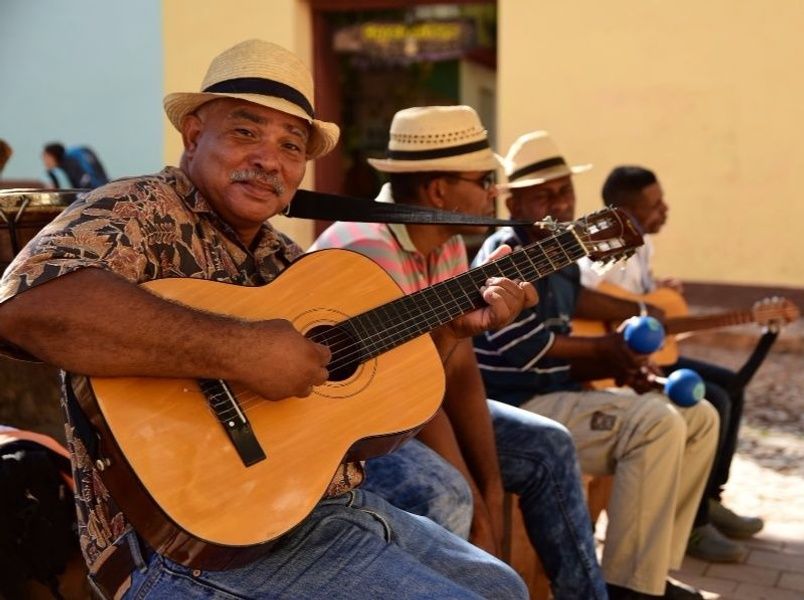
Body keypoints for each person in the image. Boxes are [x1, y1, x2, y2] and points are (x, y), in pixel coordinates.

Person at [0, 40, 536, 599]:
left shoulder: (286, 260)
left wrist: (448, 331)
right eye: (245, 132)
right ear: (193, 134)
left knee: (504, 588)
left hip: (310, 514)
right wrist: (239, 350)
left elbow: (374, 418)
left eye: (291, 145)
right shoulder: (137, 207)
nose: (268, 159)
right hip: (183, 550)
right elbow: (27, 308)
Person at [311, 105, 607, 599]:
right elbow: (413, 396)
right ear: (439, 192)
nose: (494, 192)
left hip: (411, 405)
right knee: (444, 493)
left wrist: (490, 489)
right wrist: (475, 498)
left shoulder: (447, 242)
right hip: (346, 433)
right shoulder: (367, 248)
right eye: (484, 180)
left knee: (549, 445)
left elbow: (460, 369)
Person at [473, 130, 720, 600]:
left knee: (700, 417)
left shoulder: (558, 250)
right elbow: (525, 348)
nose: (560, 204)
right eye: (544, 194)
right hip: (519, 406)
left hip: (558, 395)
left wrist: (628, 345)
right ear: (515, 204)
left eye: (565, 190)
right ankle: (629, 588)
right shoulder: (507, 251)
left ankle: (650, 572)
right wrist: (606, 351)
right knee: (656, 423)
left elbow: (579, 302)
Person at [580, 165, 763, 561]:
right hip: (616, 360)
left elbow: (641, 302)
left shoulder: (642, 244)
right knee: (710, 398)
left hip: (648, 351)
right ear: (625, 209)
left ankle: (709, 497)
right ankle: (693, 526)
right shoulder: (603, 244)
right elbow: (582, 297)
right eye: (655, 203)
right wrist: (643, 307)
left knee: (729, 385)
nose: (665, 209)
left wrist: (658, 293)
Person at [42, 142, 109, 189]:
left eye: (46, 157)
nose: (44, 161)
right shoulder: (67, 164)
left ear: (53, 156)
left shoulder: (67, 167)